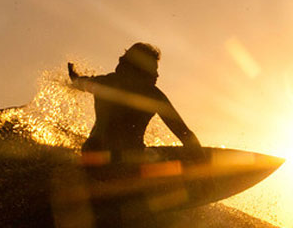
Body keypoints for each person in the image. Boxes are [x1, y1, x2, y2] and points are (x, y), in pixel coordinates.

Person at [67, 42, 202, 162]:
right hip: (123, 164)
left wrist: (74, 77)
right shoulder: (152, 95)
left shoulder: (105, 83)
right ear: (139, 70)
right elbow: (184, 133)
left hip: (95, 158)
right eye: (153, 70)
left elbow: (80, 83)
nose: (157, 75)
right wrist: (201, 162)